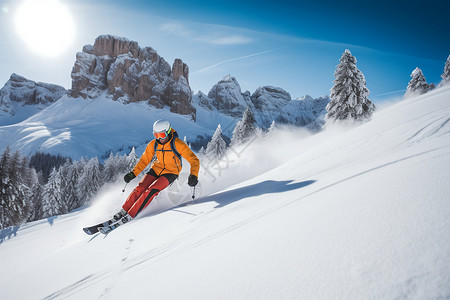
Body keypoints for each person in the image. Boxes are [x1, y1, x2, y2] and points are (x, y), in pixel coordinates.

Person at [113, 119, 200, 223]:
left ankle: (132, 215)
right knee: (140, 187)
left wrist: (194, 175)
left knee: (151, 190)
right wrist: (133, 173)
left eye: (162, 135)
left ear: (168, 132)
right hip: (156, 169)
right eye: (156, 135)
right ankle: (124, 210)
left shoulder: (177, 144)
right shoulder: (154, 144)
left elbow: (194, 160)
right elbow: (144, 160)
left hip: (171, 173)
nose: (159, 138)